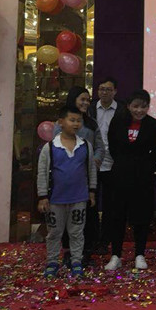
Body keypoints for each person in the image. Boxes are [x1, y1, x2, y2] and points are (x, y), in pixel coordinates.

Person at [105, 89, 156, 271]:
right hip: (120, 176)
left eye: (143, 106)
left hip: (143, 178)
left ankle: (140, 254)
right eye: (135, 106)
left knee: (141, 217)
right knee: (117, 216)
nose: (139, 110)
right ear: (128, 106)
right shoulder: (118, 122)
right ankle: (116, 255)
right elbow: (113, 147)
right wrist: (125, 163)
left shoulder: (153, 124)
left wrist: (145, 167)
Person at [37, 105, 97, 278]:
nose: (76, 124)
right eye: (72, 120)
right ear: (61, 122)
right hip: (55, 199)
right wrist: (42, 196)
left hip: (79, 197)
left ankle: (76, 261)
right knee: (54, 233)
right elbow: (42, 172)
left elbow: (91, 170)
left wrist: (91, 191)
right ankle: (52, 262)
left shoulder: (85, 146)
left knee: (77, 232)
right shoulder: (50, 147)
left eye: (79, 121)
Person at [53, 86, 105, 265]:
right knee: (68, 214)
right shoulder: (60, 124)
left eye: (88, 100)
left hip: (87, 177)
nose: (86, 103)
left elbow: (100, 147)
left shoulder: (91, 124)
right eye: (82, 99)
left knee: (88, 215)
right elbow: (56, 147)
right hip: (67, 178)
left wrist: (93, 162)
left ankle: (87, 251)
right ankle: (69, 252)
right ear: (73, 99)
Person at [94, 77, 122, 252]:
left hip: (113, 164)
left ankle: (106, 240)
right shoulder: (91, 109)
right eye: (101, 89)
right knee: (91, 202)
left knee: (110, 204)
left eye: (108, 89)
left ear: (115, 92)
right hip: (93, 163)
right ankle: (92, 238)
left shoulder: (122, 110)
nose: (104, 92)